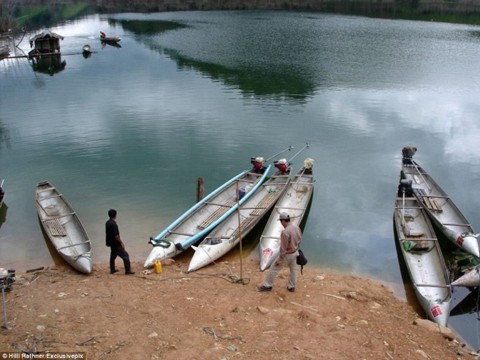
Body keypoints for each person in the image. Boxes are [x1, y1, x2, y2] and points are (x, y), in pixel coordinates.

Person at [258, 212, 302, 293]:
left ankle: (267, 286)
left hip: (287, 254)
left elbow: (283, 248)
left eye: (281, 221)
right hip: (295, 252)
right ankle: (291, 287)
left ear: (283, 221)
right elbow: (300, 238)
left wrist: (280, 259)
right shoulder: (296, 227)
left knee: (273, 269)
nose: (281, 223)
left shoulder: (285, 232)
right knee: (293, 270)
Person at [105, 209, 135, 275]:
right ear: (115, 215)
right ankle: (128, 271)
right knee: (126, 256)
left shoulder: (107, 223)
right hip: (116, 243)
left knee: (113, 256)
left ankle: (112, 270)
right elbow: (116, 236)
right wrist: (121, 242)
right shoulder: (114, 225)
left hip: (111, 243)